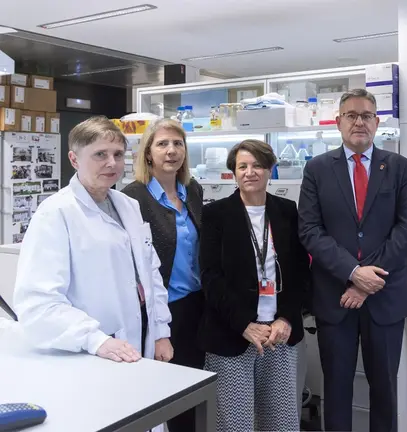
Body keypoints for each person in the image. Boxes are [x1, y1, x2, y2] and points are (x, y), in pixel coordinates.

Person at [298, 88, 407, 432]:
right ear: (338, 122)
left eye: (367, 116)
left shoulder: (398, 168)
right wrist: (352, 272)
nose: (359, 122)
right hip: (336, 298)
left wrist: (366, 282)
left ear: (377, 122)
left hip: (385, 297)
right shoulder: (317, 169)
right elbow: (310, 229)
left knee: (384, 389)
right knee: (336, 389)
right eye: (352, 115)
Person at [13, 116, 173, 364]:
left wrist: (160, 331)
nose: (112, 163)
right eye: (100, 154)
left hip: (140, 336)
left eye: (118, 154)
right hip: (90, 350)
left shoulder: (128, 206)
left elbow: (150, 273)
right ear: (74, 159)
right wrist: (95, 340)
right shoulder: (55, 214)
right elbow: (38, 303)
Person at [198, 139, 309, 431]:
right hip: (232, 334)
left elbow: (299, 270)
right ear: (233, 173)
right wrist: (244, 324)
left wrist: (286, 316)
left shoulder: (286, 210)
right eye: (242, 166)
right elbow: (210, 276)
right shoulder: (216, 214)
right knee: (235, 424)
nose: (250, 172)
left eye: (257, 165)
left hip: (279, 335)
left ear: (270, 170)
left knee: (282, 422)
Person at [122, 119, 204, 432]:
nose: (171, 151)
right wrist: (157, 328)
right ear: (148, 153)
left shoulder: (192, 190)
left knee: (192, 390)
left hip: (196, 305)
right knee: (166, 396)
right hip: (163, 310)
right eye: (162, 144)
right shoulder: (134, 197)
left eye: (178, 144)